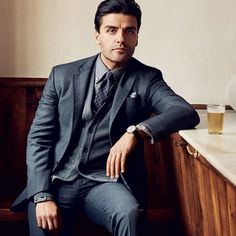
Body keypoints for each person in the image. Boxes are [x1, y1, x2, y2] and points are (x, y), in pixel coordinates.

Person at [11, 0, 200, 235]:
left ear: (137, 37)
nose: (120, 38)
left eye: (129, 31)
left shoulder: (147, 78)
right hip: (58, 180)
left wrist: (136, 131)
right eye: (111, 30)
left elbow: (185, 111)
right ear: (97, 35)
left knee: (129, 213)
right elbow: (39, 138)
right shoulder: (63, 75)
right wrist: (41, 195)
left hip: (107, 183)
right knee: (43, 223)